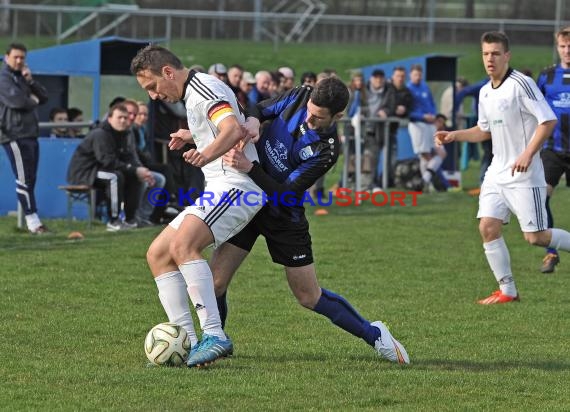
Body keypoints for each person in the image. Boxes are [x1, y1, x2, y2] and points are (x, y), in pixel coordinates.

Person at [211, 77, 410, 364]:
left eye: (318, 117)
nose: (309, 117)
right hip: (249, 200)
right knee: (215, 281)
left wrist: (249, 167)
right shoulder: (300, 96)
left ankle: (375, 334)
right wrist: (254, 120)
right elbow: (258, 107)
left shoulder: (326, 149)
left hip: (282, 215)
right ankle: (215, 341)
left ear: (337, 117)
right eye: (309, 110)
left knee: (308, 296)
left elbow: (286, 194)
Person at [130, 45, 262, 367]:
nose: (153, 96)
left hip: (239, 187)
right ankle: (186, 340)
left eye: (152, 87)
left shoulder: (203, 89)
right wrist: (194, 137)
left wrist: (205, 153)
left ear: (167, 73)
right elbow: (225, 124)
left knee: (183, 244)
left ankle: (214, 335)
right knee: (158, 254)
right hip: (219, 187)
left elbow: (231, 128)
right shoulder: (194, 92)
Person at [435, 31, 570, 304]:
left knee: (536, 237)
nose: (490, 59)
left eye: (496, 53)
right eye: (486, 54)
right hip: (497, 172)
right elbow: (484, 130)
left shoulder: (523, 84)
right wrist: (453, 135)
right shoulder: (485, 91)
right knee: (487, 226)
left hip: (524, 174)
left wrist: (528, 154)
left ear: (507, 55)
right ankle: (507, 290)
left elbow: (547, 121)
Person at [67, 103, 154, 231]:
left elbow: (129, 157)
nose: (123, 120)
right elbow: (107, 161)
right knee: (114, 177)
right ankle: (114, 220)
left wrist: (141, 171)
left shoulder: (125, 134)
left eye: (125, 118)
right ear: (109, 118)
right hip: (85, 172)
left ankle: (130, 220)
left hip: (102, 170)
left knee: (134, 177)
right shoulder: (100, 134)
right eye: (119, 117)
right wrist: (134, 169)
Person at [0, 42, 49, 234]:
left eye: (22, 57)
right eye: (16, 57)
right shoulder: (3, 78)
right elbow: (17, 101)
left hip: (30, 133)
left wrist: (30, 81)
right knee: (23, 178)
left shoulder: (22, 77)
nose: (19, 61)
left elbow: (44, 97)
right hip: (13, 134)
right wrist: (32, 101)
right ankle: (33, 221)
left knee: (30, 177)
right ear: (6, 57)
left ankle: (33, 220)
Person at [535, 26, 570, 273]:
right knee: (542, 195)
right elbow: (534, 111)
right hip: (552, 149)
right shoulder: (546, 77)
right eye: (563, 46)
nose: (567, 51)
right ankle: (551, 253)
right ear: (557, 47)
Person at [407, 64, 441, 192]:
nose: (418, 77)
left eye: (420, 74)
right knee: (425, 155)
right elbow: (409, 112)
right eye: (415, 74)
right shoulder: (409, 89)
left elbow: (432, 103)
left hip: (430, 124)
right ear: (411, 75)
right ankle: (427, 184)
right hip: (418, 124)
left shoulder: (425, 87)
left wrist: (434, 116)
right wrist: (422, 116)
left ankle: (424, 181)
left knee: (439, 153)